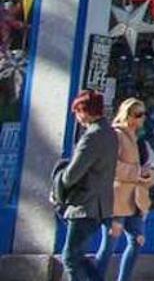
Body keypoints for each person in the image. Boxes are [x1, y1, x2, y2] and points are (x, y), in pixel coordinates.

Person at [55, 91, 118, 281]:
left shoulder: (92, 136)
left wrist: (59, 179)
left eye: (77, 112)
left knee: (70, 258)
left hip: (85, 205)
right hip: (100, 206)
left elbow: (72, 175)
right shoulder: (110, 133)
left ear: (85, 111)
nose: (76, 117)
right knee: (79, 257)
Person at [95, 99, 154, 281]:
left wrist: (148, 175)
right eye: (138, 114)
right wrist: (137, 172)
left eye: (144, 114)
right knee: (109, 245)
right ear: (127, 115)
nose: (142, 118)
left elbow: (149, 167)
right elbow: (110, 166)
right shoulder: (116, 135)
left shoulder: (141, 141)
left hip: (137, 200)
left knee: (138, 241)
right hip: (118, 200)